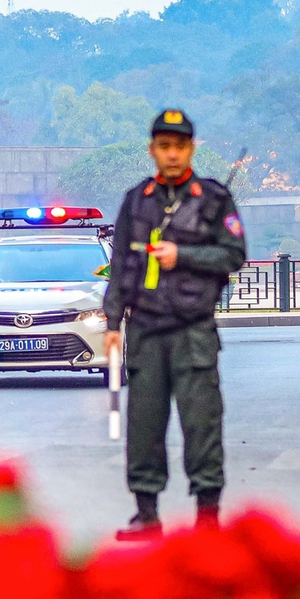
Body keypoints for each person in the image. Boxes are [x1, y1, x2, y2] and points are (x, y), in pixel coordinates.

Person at [102, 109, 247, 540]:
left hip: (193, 330)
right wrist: (113, 322)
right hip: (145, 330)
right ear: (152, 150)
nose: (172, 154)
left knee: (202, 425)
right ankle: (146, 515)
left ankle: (208, 521)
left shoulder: (213, 198)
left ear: (191, 149)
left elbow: (233, 255)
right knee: (143, 426)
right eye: (164, 146)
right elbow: (120, 265)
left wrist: (182, 255)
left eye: (179, 146)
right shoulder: (137, 200)